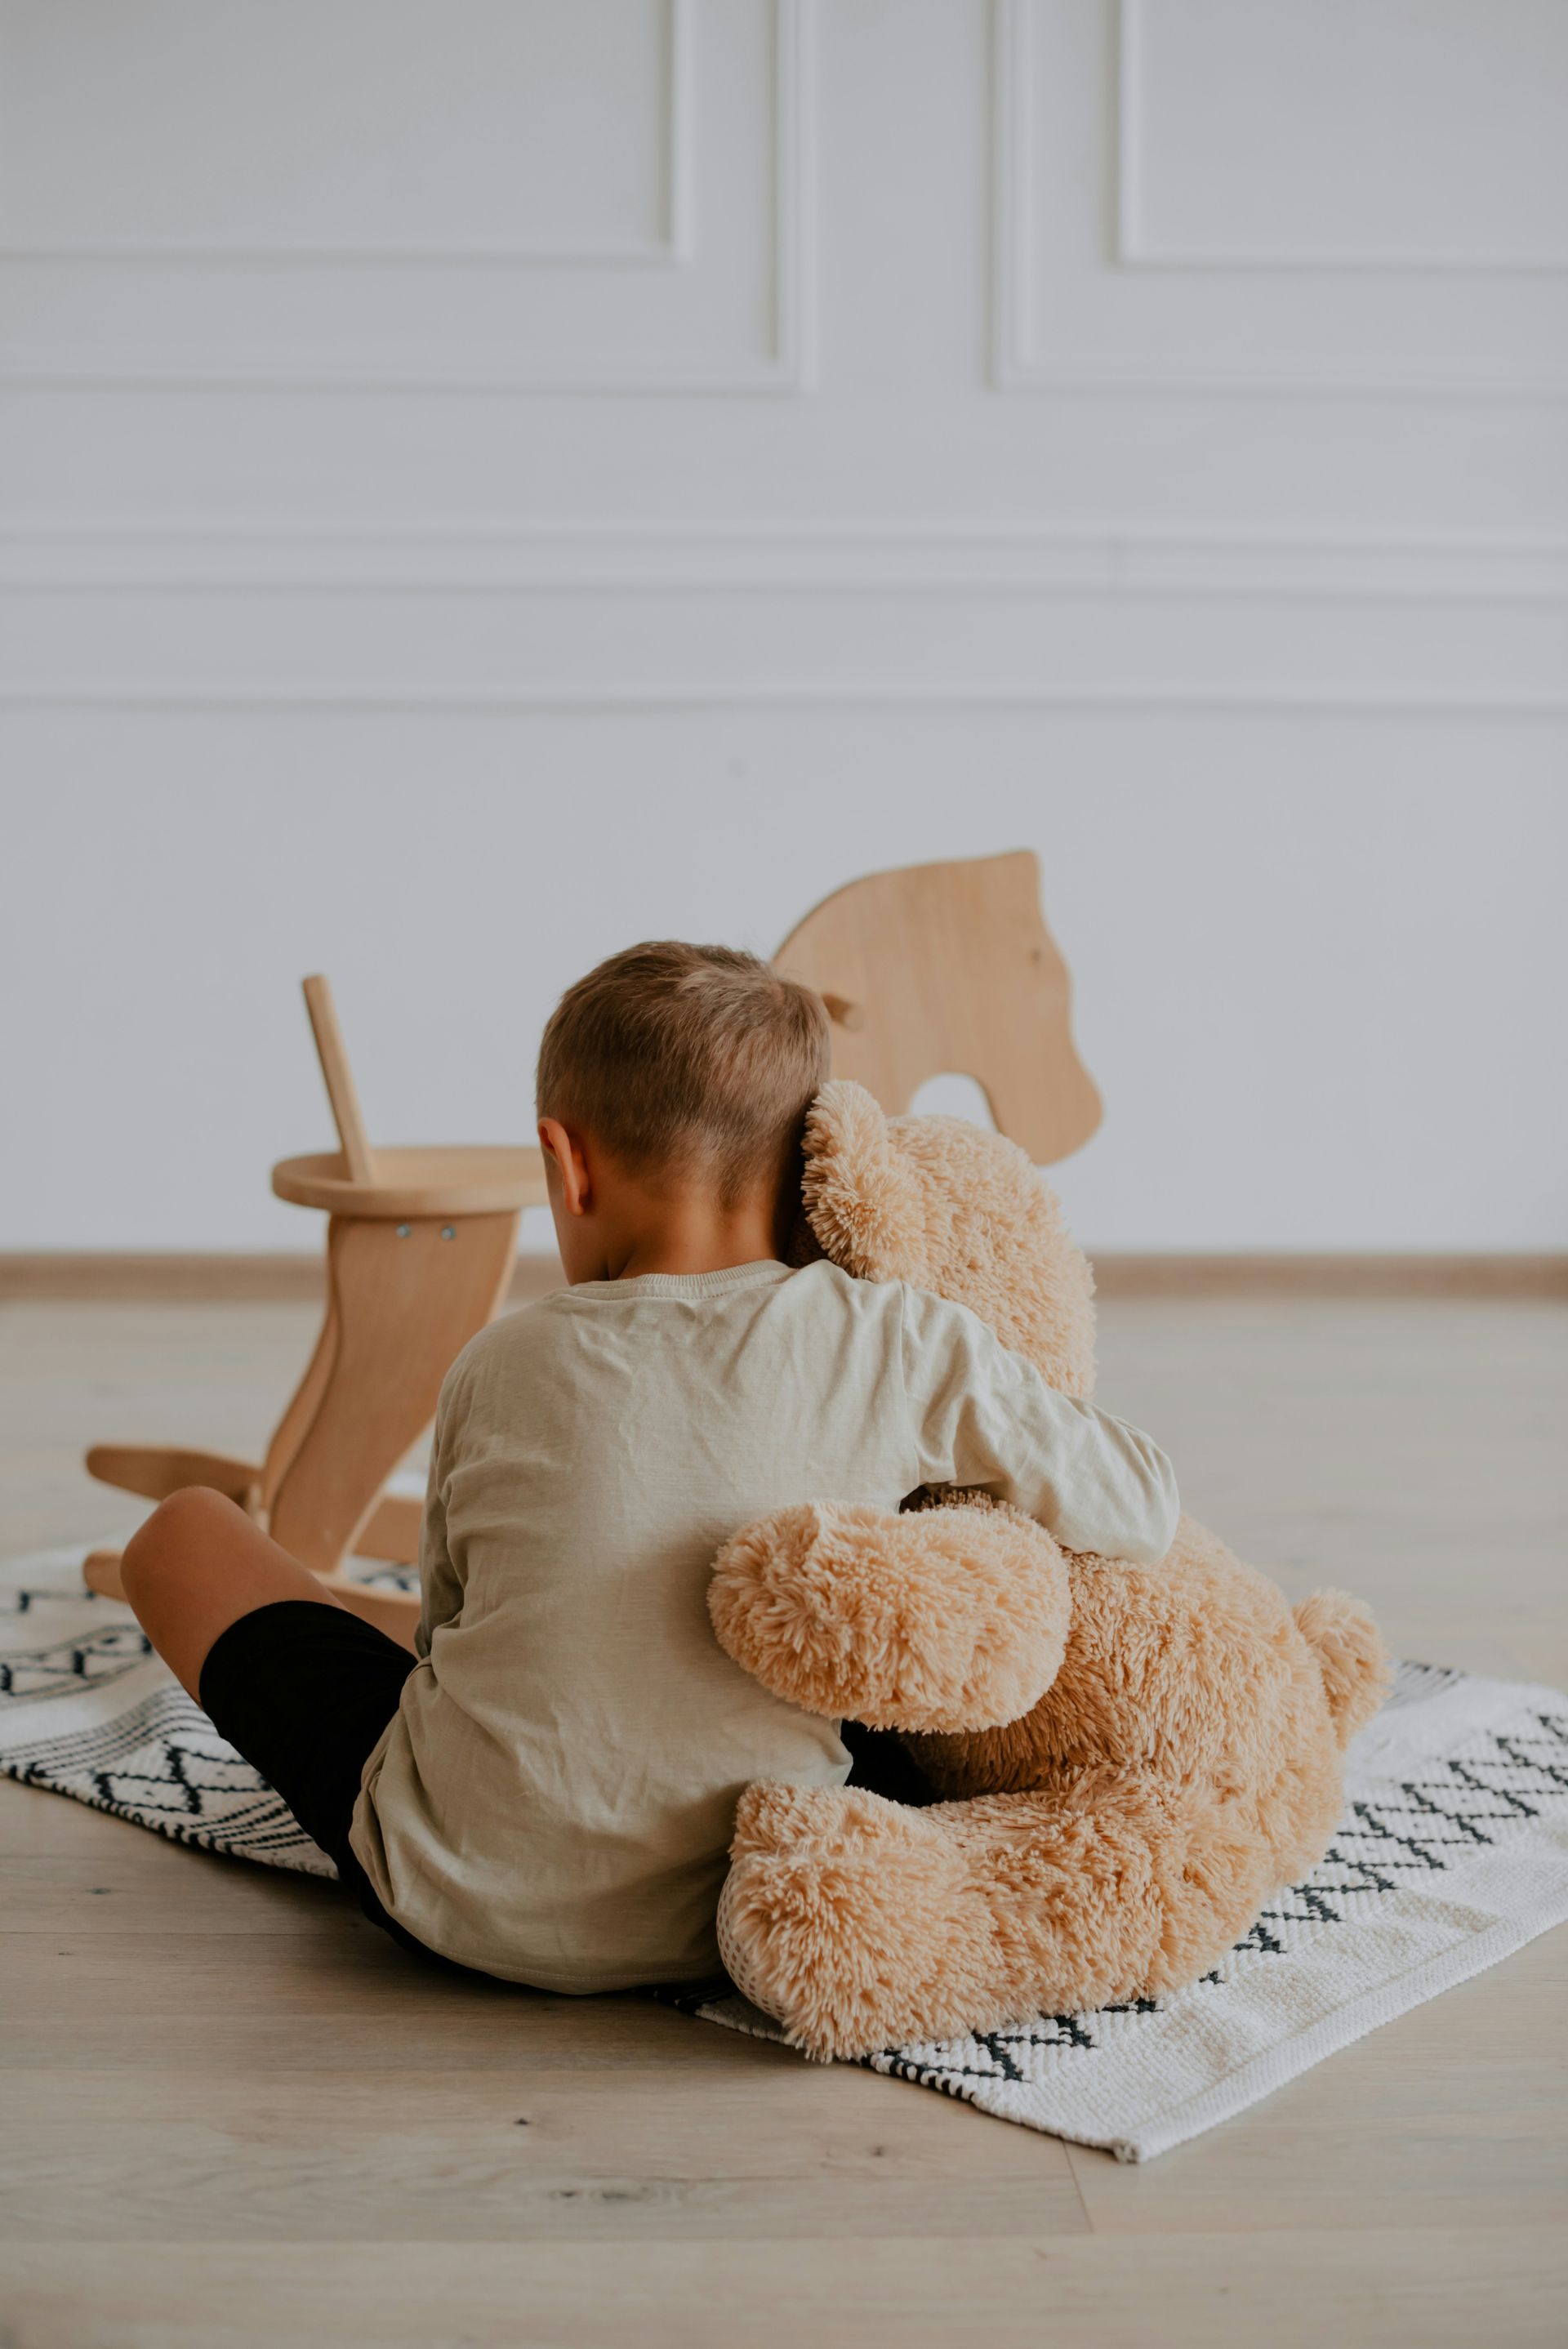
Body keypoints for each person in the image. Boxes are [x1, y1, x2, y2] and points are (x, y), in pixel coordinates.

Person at [121, 941, 1179, 1992]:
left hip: (450, 1900)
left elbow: (446, 1631)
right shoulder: (903, 1338)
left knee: (184, 1535)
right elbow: (1140, 1503)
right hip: (749, 1906)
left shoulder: (501, 1361)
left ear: (566, 1163)